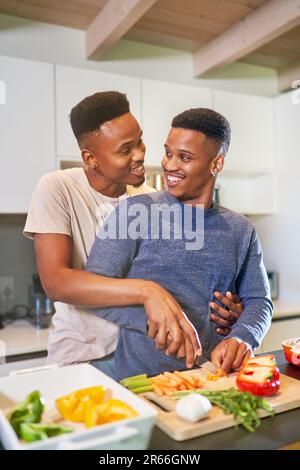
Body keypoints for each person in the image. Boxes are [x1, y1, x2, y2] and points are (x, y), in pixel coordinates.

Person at [24, 92, 242, 373]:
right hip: (83, 358)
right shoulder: (58, 188)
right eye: (125, 150)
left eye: (139, 140)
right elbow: (56, 282)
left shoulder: (151, 199)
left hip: (144, 357)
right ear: (91, 158)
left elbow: (186, 277)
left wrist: (228, 312)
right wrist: (146, 291)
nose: (140, 154)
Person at [85, 108, 273, 380]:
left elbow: (260, 301)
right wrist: (154, 321)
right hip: (144, 384)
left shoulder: (240, 229)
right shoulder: (134, 212)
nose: (170, 165)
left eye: (184, 157)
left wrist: (244, 337)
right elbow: (93, 290)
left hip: (214, 379)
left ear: (216, 164)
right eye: (168, 152)